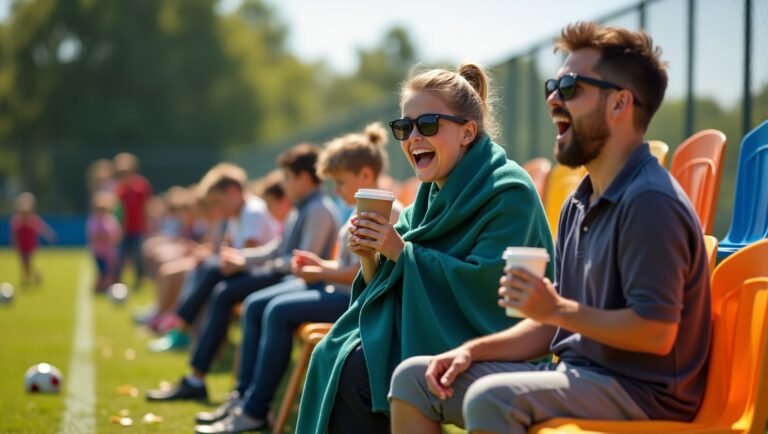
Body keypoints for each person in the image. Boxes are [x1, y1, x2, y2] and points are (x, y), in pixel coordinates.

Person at [389, 22, 712, 434]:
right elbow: (553, 323)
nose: (554, 99)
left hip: (643, 393)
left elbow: (656, 333)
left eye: (571, 87)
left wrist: (556, 308)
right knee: (415, 379)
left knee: (492, 399)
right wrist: (472, 351)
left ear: (620, 103)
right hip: (578, 373)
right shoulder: (579, 201)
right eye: (553, 87)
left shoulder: (649, 201)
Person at [296, 63, 554, 434]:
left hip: (491, 340)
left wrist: (399, 251)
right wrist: (369, 253)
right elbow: (390, 274)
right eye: (404, 127)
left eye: (428, 124)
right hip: (430, 323)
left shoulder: (509, 191)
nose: (413, 136)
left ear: (467, 132)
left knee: (359, 368)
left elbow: (487, 290)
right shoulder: (430, 192)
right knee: (334, 353)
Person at [194, 122, 403, 434]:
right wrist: (321, 264)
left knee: (277, 310)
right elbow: (353, 265)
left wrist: (321, 271)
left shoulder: (389, 212)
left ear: (364, 175)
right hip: (342, 294)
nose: (335, 190)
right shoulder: (360, 208)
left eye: (340, 182)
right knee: (261, 305)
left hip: (357, 304)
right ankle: (247, 402)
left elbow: (367, 276)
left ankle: (255, 409)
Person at [146, 144, 340, 402]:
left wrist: (250, 264)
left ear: (303, 178)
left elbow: (302, 262)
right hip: (286, 277)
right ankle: (209, 379)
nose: (284, 183)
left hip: (297, 282)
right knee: (220, 282)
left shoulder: (318, 209)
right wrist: (243, 259)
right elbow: (277, 249)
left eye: (287, 177)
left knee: (230, 294)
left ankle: (232, 389)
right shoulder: (301, 207)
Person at [146, 163, 278, 351]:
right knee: (204, 267)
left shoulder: (252, 212)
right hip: (246, 272)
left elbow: (249, 258)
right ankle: (182, 328)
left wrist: (216, 258)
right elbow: (230, 249)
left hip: (259, 275)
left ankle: (181, 326)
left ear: (233, 192)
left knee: (210, 273)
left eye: (217, 201)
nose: (216, 208)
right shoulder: (238, 213)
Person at [113, 152, 153, 288]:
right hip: (123, 230)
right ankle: (117, 280)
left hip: (138, 229)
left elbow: (146, 208)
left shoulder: (141, 187)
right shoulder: (119, 189)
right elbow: (117, 211)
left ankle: (139, 281)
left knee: (137, 257)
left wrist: (148, 227)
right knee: (120, 256)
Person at [10, 192, 56, 286]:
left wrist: (49, 235)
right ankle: (33, 276)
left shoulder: (33, 220)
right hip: (21, 246)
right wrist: (15, 245)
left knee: (27, 262)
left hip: (30, 246)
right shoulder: (17, 221)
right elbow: (14, 235)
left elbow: (42, 228)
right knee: (24, 263)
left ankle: (27, 279)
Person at [86, 191, 122, 292]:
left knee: (109, 273)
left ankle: (106, 288)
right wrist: (104, 238)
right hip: (98, 252)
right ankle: (98, 289)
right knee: (102, 272)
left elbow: (117, 235)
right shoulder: (93, 221)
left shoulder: (111, 220)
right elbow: (93, 237)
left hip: (109, 252)